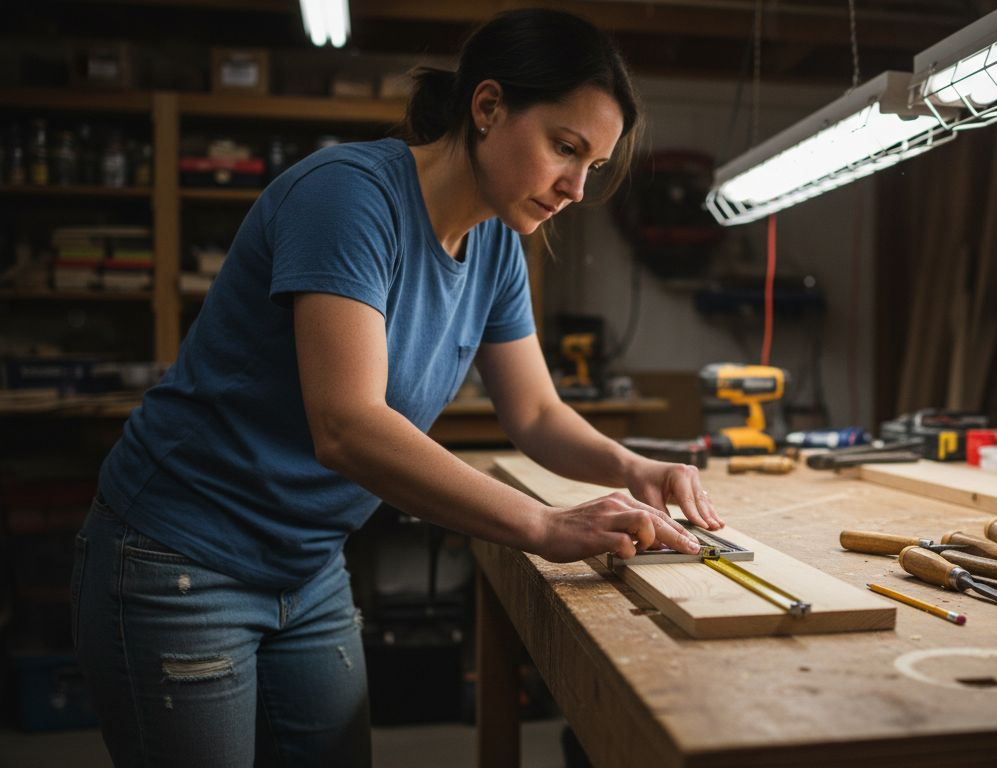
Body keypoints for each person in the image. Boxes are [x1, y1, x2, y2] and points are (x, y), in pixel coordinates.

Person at [71, 9, 722, 766]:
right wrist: (545, 526)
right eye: (565, 148)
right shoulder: (349, 198)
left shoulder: (497, 247)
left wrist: (635, 468)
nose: (576, 187)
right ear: (487, 108)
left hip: (305, 563)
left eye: (594, 167)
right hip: (181, 556)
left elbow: (537, 411)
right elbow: (347, 426)